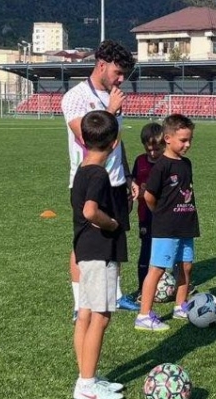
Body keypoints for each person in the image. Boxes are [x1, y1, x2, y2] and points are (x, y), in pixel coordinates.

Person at [61, 40, 140, 318]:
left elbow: (117, 141)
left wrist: (129, 175)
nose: (121, 80)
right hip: (88, 180)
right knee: (84, 243)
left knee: (115, 238)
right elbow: (87, 139)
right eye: (117, 73)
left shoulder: (113, 96)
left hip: (116, 182)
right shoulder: (75, 97)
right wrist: (112, 112)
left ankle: (115, 295)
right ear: (101, 64)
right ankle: (78, 302)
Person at [69, 110, 126, 399]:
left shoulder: (82, 169)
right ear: (115, 143)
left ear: (82, 139)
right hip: (98, 251)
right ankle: (86, 384)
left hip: (85, 251)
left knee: (88, 314)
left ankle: (88, 376)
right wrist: (112, 223)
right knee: (101, 317)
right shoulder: (99, 174)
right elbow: (91, 211)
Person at [134, 114, 200, 331]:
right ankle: (144, 315)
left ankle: (180, 306)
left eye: (190, 140)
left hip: (186, 224)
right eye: (183, 140)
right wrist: (160, 214)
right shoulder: (161, 166)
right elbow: (149, 196)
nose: (188, 144)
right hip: (166, 227)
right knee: (158, 269)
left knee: (186, 266)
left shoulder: (187, 163)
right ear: (168, 138)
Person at [130, 122, 164, 299]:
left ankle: (171, 284)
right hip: (145, 215)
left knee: (167, 250)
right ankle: (142, 287)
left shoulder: (167, 162)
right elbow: (133, 182)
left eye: (157, 149)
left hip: (165, 216)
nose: (152, 153)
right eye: (149, 149)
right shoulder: (140, 161)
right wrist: (134, 189)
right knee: (146, 250)